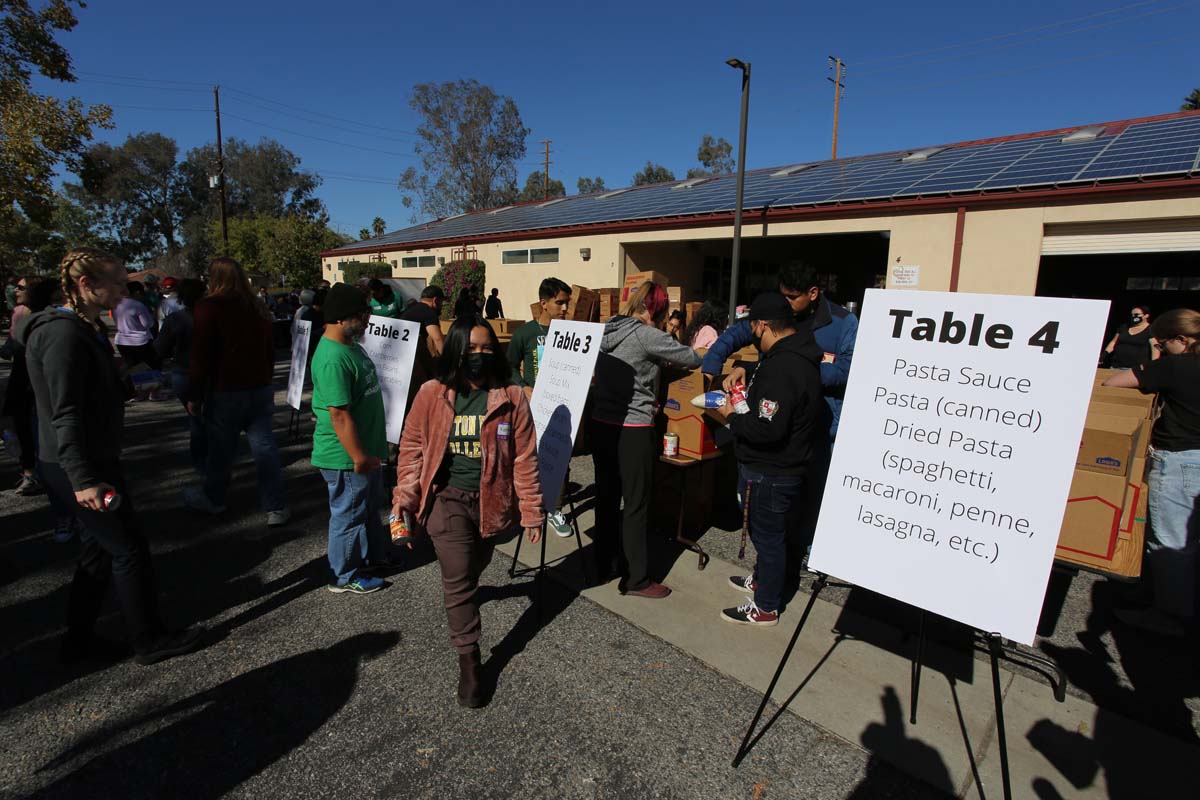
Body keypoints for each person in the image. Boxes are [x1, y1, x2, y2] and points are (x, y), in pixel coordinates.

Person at [18, 247, 203, 665]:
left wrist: (121, 384)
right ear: (86, 285)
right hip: (79, 463)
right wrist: (82, 477)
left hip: (86, 456)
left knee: (99, 551)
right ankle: (149, 639)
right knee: (128, 548)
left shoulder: (82, 328)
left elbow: (85, 393)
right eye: (117, 282)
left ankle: (77, 639)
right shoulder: (63, 334)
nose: (126, 289)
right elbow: (64, 411)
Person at [393, 314, 543, 707]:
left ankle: (467, 608)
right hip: (447, 498)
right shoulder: (432, 393)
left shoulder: (510, 396)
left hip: (492, 503)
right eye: (471, 348)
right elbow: (411, 450)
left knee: (475, 565)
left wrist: (531, 509)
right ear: (456, 350)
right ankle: (470, 660)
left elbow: (525, 456)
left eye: (486, 348)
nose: (479, 355)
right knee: (458, 578)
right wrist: (404, 501)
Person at [705, 293, 826, 626]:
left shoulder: (784, 368)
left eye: (753, 328)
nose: (753, 335)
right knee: (768, 534)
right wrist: (748, 369)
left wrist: (729, 415)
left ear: (761, 325)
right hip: (778, 466)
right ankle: (764, 581)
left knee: (768, 537)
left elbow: (767, 430)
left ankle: (766, 605)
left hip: (772, 469)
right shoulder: (793, 353)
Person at [591, 281, 702, 598]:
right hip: (633, 427)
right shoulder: (648, 335)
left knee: (607, 497)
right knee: (636, 504)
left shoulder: (607, 328)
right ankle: (636, 578)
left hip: (601, 422)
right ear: (657, 309)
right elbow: (693, 359)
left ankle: (604, 562)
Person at [1103, 309, 1200, 637]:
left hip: (1179, 460)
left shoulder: (1177, 365)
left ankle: (1171, 616)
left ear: (1182, 340)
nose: (1157, 344)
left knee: (1170, 543)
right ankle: (1170, 599)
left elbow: (1113, 381)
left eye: (1163, 340)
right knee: (1189, 538)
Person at [182, 257, 289, 527]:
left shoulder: (209, 307)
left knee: (221, 451)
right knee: (265, 450)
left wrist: (194, 393)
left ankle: (214, 498)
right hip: (259, 387)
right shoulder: (257, 306)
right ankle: (275, 506)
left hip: (226, 389)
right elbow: (269, 350)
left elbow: (200, 354)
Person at [704, 261, 856, 440]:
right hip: (769, 413)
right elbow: (737, 334)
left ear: (813, 293)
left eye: (792, 297)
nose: (785, 302)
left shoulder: (843, 322)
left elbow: (847, 370)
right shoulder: (776, 311)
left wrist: (798, 373)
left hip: (820, 423)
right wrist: (711, 365)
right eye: (782, 295)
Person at [311, 284, 394, 594]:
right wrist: (358, 456)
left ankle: (373, 557)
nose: (369, 320)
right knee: (347, 514)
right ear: (342, 318)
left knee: (368, 507)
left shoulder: (350, 345)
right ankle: (344, 576)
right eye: (363, 315)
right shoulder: (333, 358)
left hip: (365, 451)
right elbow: (339, 415)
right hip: (346, 457)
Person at [507, 277, 572, 537]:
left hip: (563, 406)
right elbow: (508, 366)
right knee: (529, 457)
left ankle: (554, 508)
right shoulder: (525, 333)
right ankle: (529, 507)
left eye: (567, 302)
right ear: (544, 304)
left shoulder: (571, 333)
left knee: (560, 456)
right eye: (560, 302)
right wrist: (523, 386)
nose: (565, 308)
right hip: (532, 406)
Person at [155, 278, 206, 476]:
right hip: (209, 375)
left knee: (196, 421)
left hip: (184, 373)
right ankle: (214, 461)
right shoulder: (215, 318)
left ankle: (202, 465)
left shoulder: (175, 319)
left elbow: (160, 350)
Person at [3, 276, 43, 496]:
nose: (15, 291)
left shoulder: (43, 317)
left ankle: (42, 471)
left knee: (38, 427)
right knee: (21, 426)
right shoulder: (18, 313)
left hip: (37, 378)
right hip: (21, 376)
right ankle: (29, 472)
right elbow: (12, 344)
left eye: (20, 288)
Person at [400, 284, 447, 396]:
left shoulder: (411, 310)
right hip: (411, 355)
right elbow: (437, 338)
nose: (442, 306)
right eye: (441, 302)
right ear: (435, 301)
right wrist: (448, 361)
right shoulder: (429, 312)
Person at [114, 280, 161, 371]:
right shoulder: (138, 305)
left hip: (121, 341)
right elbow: (148, 324)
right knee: (150, 367)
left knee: (131, 368)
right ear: (137, 292)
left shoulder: (115, 304)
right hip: (140, 341)